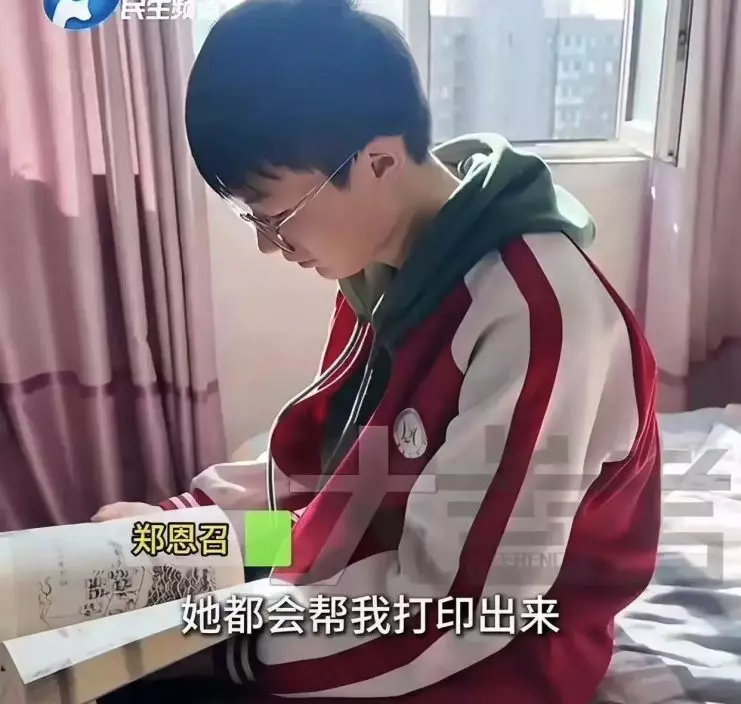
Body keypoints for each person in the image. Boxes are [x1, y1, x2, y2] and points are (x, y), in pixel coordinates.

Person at [93, 0, 662, 701]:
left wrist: (217, 649)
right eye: (251, 218)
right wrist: (170, 532)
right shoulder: (387, 270)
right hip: (355, 567)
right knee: (122, 588)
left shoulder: (536, 317)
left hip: (486, 659)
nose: (270, 246)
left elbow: (461, 609)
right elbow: (321, 489)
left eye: (277, 216)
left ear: (380, 160)